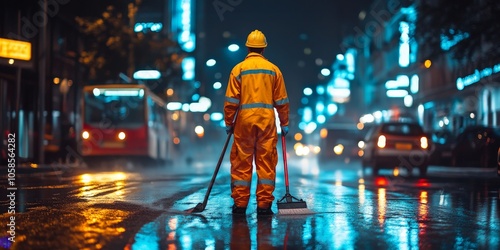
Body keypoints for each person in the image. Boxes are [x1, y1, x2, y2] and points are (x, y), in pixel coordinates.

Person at [223, 29, 290, 216]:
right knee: (266, 162)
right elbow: (282, 101)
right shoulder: (274, 70)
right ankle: (264, 206)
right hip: (267, 122)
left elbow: (231, 101)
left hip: (243, 122)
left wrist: (229, 122)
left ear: (247, 47)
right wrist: (284, 123)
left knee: (241, 162)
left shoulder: (238, 70)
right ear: (264, 49)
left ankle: (241, 204)